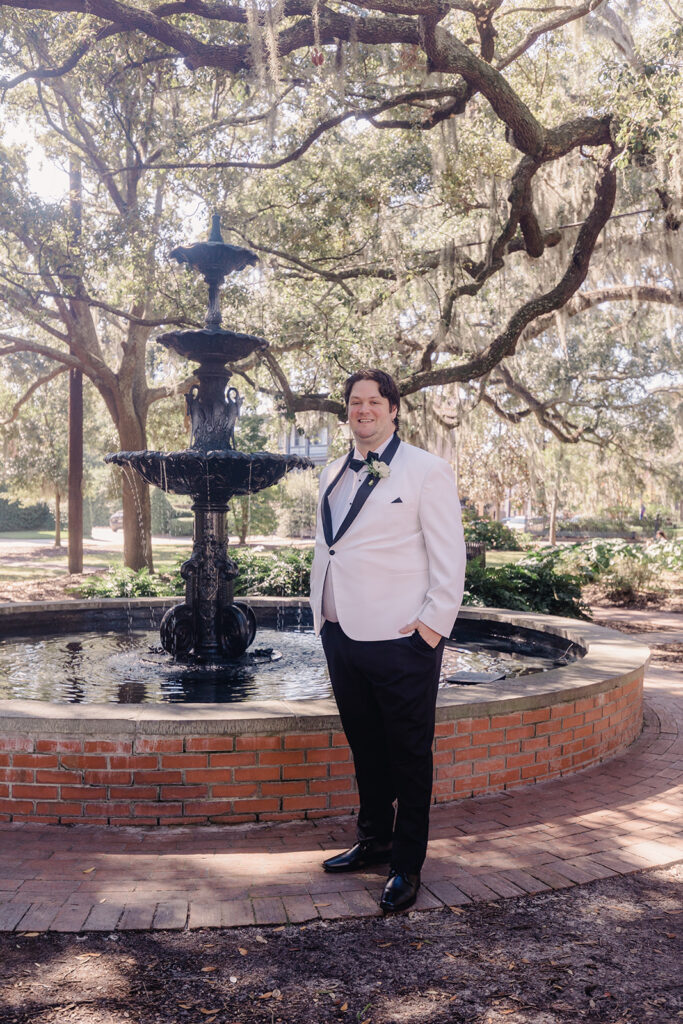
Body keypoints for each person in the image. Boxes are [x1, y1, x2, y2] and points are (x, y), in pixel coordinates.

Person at [309, 369, 466, 912]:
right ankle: (374, 840)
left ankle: (406, 864)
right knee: (366, 749)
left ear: (393, 409)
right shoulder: (331, 472)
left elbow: (450, 558)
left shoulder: (427, 470)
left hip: (402, 640)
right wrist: (323, 620)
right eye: (355, 402)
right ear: (347, 411)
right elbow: (330, 549)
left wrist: (430, 629)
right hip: (341, 634)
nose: (364, 409)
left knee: (408, 754)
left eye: (374, 401)